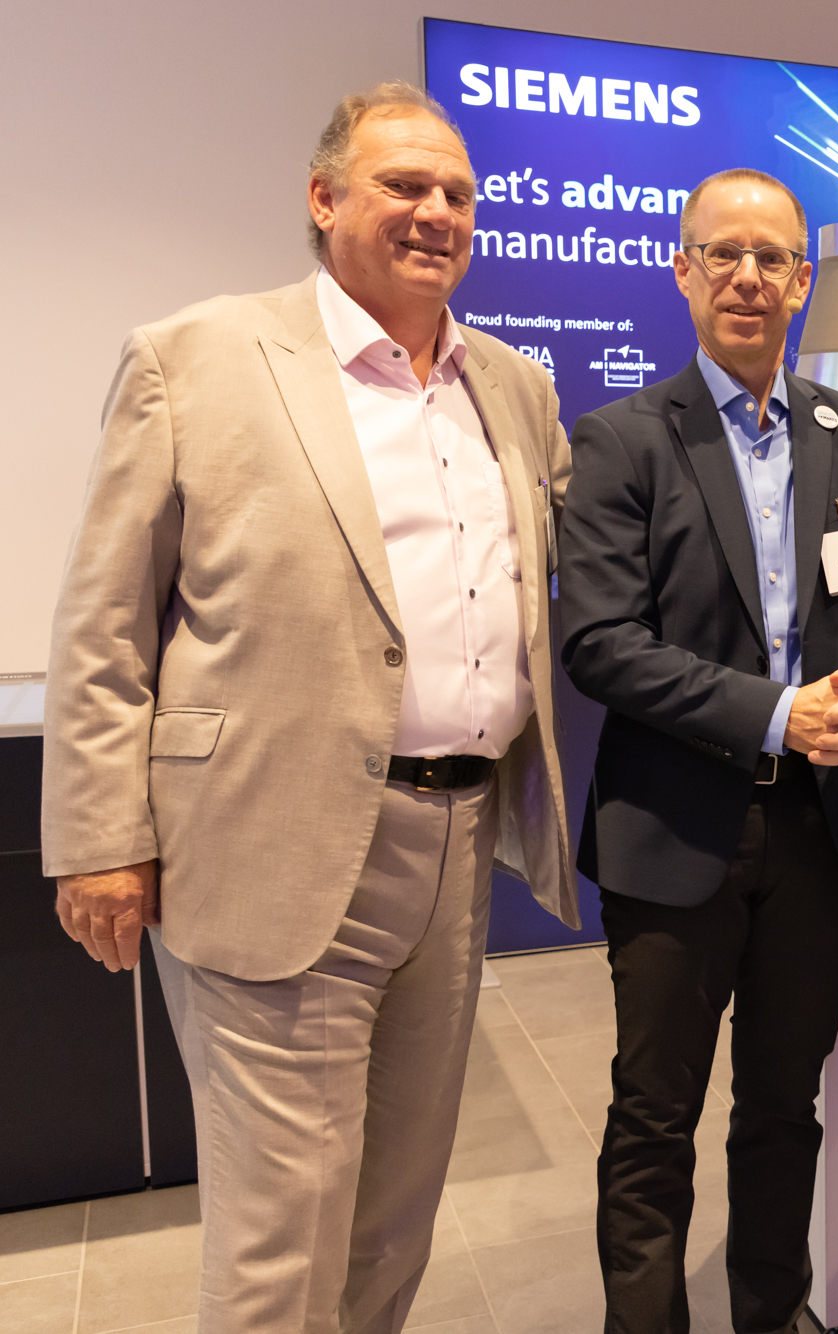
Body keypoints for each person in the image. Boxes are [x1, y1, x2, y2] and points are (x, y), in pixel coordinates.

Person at [41, 81, 574, 1332]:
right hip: (270, 835)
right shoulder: (197, 355)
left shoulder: (512, 385)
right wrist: (102, 837)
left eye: (456, 192)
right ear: (325, 197)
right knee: (283, 1241)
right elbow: (106, 617)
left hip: (454, 844)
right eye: (403, 185)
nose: (435, 211)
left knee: (393, 1217)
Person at [559, 168, 838, 1334]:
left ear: (802, 283)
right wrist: (782, 715)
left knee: (784, 1105)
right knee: (652, 1116)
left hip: (822, 835)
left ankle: (771, 1313)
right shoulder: (622, 437)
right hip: (675, 831)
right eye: (721, 254)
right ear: (680, 271)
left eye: (771, 257)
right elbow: (600, 643)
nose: (746, 276)